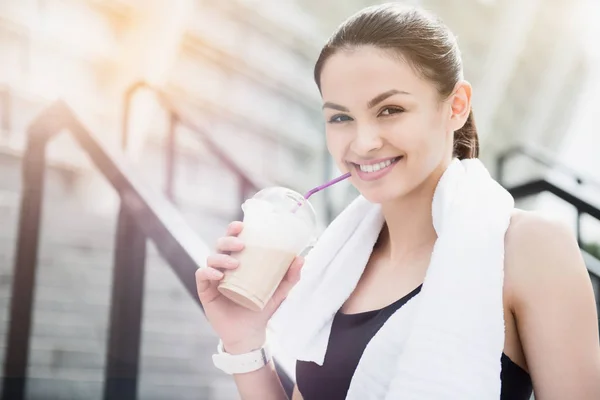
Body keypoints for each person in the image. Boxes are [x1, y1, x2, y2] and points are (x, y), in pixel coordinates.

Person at [196, 4, 600, 399]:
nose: (364, 142)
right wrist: (245, 339)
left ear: (456, 106)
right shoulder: (335, 263)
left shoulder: (530, 249)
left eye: (390, 110)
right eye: (340, 118)